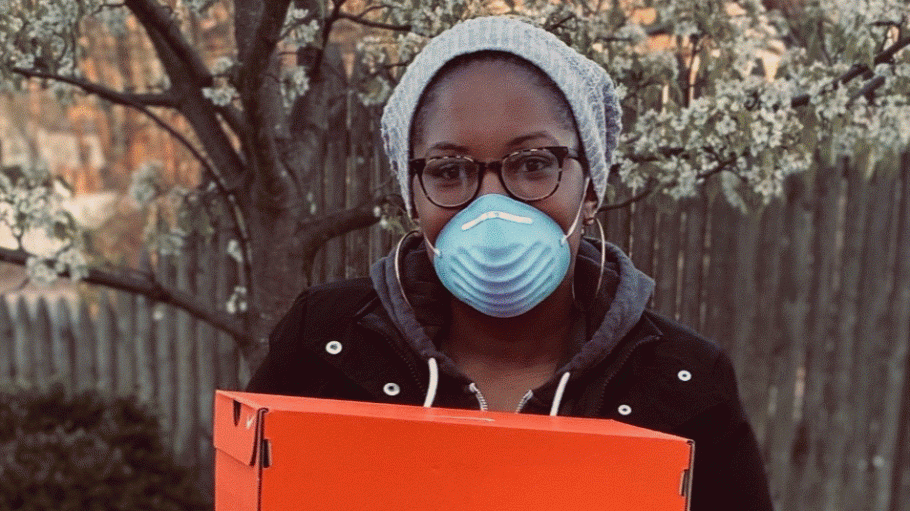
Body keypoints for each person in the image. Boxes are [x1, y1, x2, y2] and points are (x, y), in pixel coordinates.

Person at [248, 15, 774, 510]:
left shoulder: (686, 384)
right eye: (449, 170)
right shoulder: (322, 345)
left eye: (533, 165)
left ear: (590, 189)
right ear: (413, 197)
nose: (491, 205)